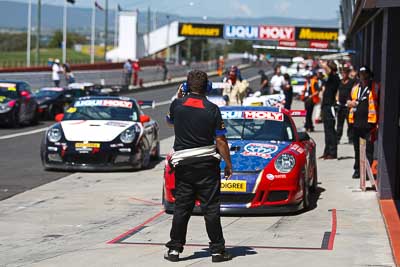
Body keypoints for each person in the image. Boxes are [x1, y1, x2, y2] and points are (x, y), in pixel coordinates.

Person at [165, 70, 233, 263]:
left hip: (184, 166)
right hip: (207, 167)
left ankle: (174, 250)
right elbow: (220, 140)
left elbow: (170, 122)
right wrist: (228, 163)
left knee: (182, 208)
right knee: (211, 209)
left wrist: (178, 98)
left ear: (186, 86)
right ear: (208, 87)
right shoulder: (212, 109)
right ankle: (218, 252)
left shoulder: (177, 105)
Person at [347, 66, 379, 179]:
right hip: (356, 123)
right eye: (361, 75)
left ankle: (367, 172)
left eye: (365, 74)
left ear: (369, 76)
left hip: (369, 124)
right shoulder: (355, 88)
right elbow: (348, 100)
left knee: (369, 149)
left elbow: (379, 104)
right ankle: (357, 170)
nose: (363, 77)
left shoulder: (375, 88)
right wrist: (350, 103)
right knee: (357, 149)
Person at [320, 61, 340, 159]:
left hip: (330, 106)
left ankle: (333, 152)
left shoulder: (335, 77)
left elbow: (329, 72)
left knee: (331, 131)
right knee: (326, 131)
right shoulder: (329, 78)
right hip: (325, 105)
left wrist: (325, 65)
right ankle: (327, 151)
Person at [336, 65, 355, 144]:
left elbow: (354, 92)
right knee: (339, 123)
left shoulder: (351, 82)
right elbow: (337, 91)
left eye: (344, 73)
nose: (343, 75)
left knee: (350, 123)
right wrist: (336, 99)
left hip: (348, 106)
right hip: (340, 105)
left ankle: (350, 138)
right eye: (342, 73)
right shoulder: (339, 82)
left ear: (347, 74)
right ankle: (337, 138)